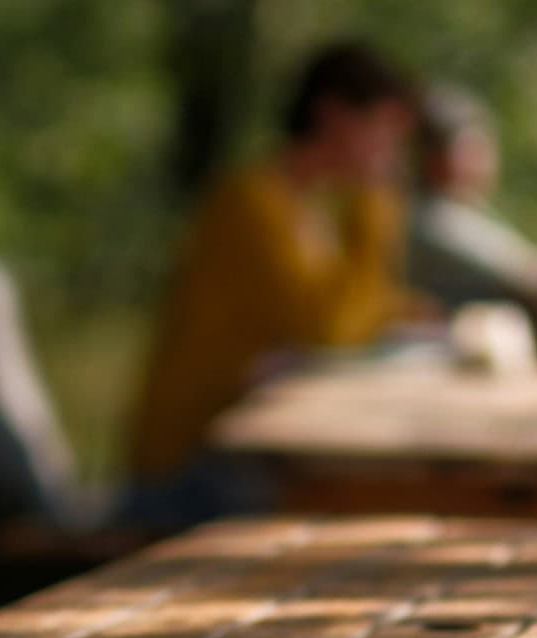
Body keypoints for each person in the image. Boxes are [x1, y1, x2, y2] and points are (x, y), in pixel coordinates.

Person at [128, 40, 420, 488]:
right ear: (334, 115)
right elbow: (327, 334)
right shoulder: (252, 203)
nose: (391, 156)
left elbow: (349, 315)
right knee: (371, 494)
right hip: (193, 462)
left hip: (244, 448)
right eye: (384, 132)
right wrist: (375, 211)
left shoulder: (308, 210)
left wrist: (402, 310)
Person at [405, 83, 537, 312]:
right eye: (474, 150)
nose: (487, 161)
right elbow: (533, 275)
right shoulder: (432, 218)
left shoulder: (464, 211)